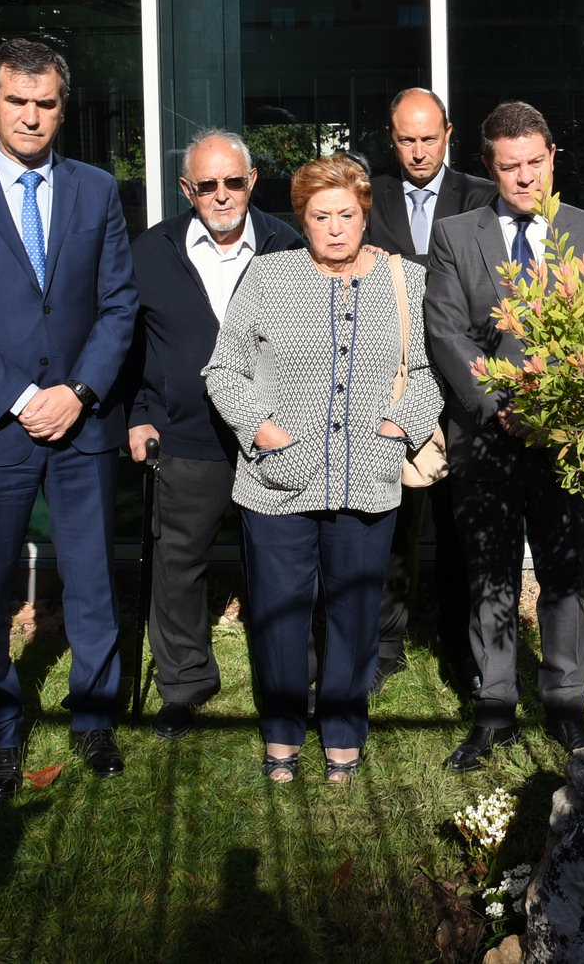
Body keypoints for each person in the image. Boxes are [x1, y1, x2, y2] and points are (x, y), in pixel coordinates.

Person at [0, 39, 138, 798]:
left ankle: (95, 717)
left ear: (62, 108)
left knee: (92, 580)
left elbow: (118, 305)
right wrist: (18, 397)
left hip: (82, 422)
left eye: (45, 103)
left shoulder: (97, 190)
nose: (32, 116)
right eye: (18, 101)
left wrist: (77, 391)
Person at [203, 155, 442, 782]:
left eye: (346, 214)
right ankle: (282, 732)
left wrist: (397, 429)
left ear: (365, 214)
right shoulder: (268, 277)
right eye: (319, 216)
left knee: (355, 611)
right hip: (276, 479)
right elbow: (223, 370)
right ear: (300, 220)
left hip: (368, 474)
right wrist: (261, 430)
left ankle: (342, 729)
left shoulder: (407, 282)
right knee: (280, 611)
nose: (335, 228)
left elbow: (428, 372)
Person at [426, 101, 584, 770]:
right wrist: (497, 405)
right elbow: (445, 330)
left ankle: (567, 704)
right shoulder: (455, 235)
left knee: (565, 574)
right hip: (487, 436)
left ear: (553, 155)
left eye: (535, 162)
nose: (526, 177)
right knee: (491, 577)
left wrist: (577, 421)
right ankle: (495, 708)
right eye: (510, 167)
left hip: (563, 442)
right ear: (489, 166)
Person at [124, 129, 303, 740]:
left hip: (273, 437)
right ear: (187, 190)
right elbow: (132, 346)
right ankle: (183, 683)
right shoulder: (150, 252)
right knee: (178, 564)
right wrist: (138, 412)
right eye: (207, 185)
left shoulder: (289, 247)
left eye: (233, 182)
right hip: (187, 437)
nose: (222, 195)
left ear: (252, 182)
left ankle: (287, 681)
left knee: (282, 567)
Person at [364, 88, 493, 696]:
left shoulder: (481, 196)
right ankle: (386, 644)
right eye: (406, 140)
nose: (418, 151)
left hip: (462, 382)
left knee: (459, 525)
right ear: (392, 139)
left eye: (428, 137)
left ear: (449, 134)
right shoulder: (371, 197)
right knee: (392, 521)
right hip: (392, 382)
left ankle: (457, 647)